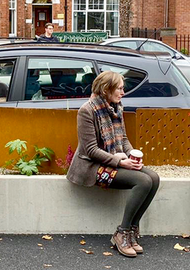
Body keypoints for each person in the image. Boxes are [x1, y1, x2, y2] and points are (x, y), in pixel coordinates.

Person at [66, 70, 160, 258]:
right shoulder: (87, 110)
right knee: (143, 182)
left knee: (154, 178)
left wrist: (132, 157)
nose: (123, 93)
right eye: (119, 89)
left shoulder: (116, 107)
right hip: (91, 167)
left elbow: (123, 139)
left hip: (112, 161)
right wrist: (121, 162)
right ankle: (122, 232)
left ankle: (132, 230)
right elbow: (90, 150)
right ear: (105, 89)